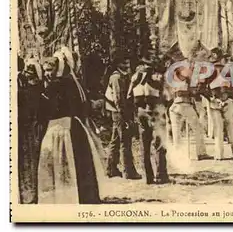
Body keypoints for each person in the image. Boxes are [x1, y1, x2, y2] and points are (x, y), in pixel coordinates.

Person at [37, 51, 102, 204]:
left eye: (50, 70)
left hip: (64, 127)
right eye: (45, 70)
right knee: (76, 161)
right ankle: (84, 195)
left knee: (69, 161)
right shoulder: (70, 82)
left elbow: (50, 109)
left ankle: (73, 196)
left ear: (58, 68)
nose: (47, 74)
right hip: (71, 125)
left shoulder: (58, 84)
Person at [128, 53, 169, 184]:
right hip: (155, 111)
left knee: (144, 145)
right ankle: (161, 175)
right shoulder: (158, 77)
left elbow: (129, 96)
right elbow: (167, 96)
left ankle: (149, 177)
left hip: (141, 112)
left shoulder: (135, 78)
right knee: (160, 144)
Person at [105, 55, 141, 180]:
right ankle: (128, 171)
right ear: (119, 64)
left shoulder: (122, 76)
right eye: (125, 62)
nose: (128, 65)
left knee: (115, 140)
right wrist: (125, 116)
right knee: (125, 140)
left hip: (118, 112)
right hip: (120, 112)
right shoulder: (117, 77)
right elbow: (119, 99)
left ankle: (111, 168)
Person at [168, 51, 208, 161]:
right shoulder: (186, 72)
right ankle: (201, 153)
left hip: (174, 104)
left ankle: (178, 155)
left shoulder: (172, 73)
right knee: (198, 128)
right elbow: (194, 89)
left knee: (176, 133)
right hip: (184, 103)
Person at [205, 49, 233, 160]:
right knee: (230, 127)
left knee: (219, 128)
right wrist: (231, 97)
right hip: (224, 100)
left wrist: (211, 98)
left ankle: (219, 155)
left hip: (216, 101)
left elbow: (201, 88)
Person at [18, 57, 44, 204]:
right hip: (29, 127)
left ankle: (30, 193)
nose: (27, 75)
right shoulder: (28, 88)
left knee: (30, 159)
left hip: (31, 128)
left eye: (30, 72)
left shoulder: (31, 89)